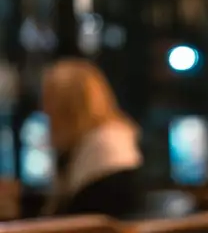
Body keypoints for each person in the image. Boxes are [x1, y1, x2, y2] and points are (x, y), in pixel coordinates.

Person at [41, 59, 143, 218]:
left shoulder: (106, 150)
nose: (44, 110)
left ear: (68, 108)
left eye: (49, 101)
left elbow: (85, 227)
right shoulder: (89, 145)